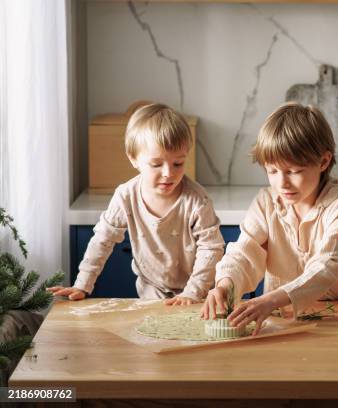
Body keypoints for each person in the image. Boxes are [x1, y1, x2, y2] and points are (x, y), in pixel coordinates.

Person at [201, 102, 338, 333]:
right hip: (281, 315)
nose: (282, 183)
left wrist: (272, 299)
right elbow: (245, 250)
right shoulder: (266, 202)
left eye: (293, 171)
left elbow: (328, 264)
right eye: (272, 171)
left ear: (323, 162)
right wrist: (226, 285)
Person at [48, 103, 224, 305]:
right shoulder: (125, 196)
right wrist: (82, 285)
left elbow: (211, 249)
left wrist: (193, 292)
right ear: (133, 159)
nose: (168, 173)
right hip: (151, 290)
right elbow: (103, 240)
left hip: (198, 291)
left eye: (178, 163)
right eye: (156, 164)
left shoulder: (196, 200)